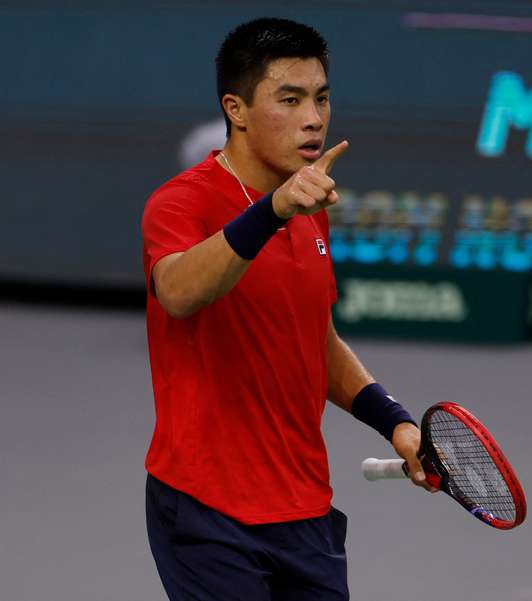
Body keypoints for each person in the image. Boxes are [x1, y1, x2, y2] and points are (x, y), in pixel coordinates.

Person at [141, 17, 435, 601]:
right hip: (208, 511)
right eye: (290, 99)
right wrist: (271, 211)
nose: (314, 118)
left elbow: (316, 342)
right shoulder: (181, 203)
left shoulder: (309, 207)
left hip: (304, 511)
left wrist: (395, 421)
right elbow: (177, 292)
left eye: (322, 98)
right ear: (237, 108)